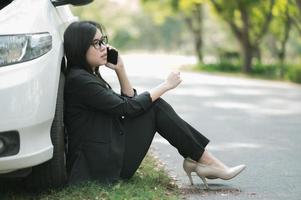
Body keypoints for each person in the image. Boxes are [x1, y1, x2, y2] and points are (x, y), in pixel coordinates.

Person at [63, 20, 246, 188]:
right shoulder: (81, 81)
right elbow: (128, 108)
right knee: (155, 106)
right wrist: (165, 85)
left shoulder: (87, 76)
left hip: (107, 154)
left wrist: (120, 70)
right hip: (101, 167)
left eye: (103, 41)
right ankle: (204, 161)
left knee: (154, 106)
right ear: (80, 47)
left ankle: (200, 160)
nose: (104, 47)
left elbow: (127, 104)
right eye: (97, 43)